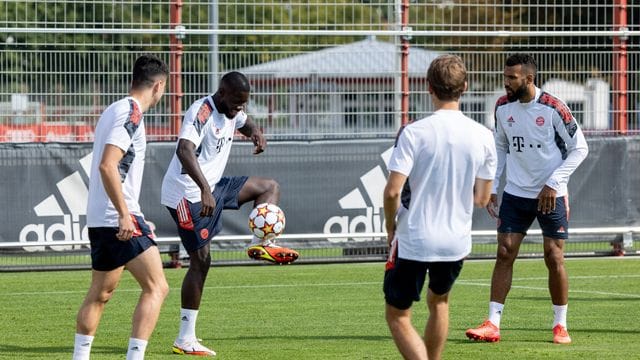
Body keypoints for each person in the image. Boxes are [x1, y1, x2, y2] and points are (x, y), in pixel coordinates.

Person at [161, 71, 299, 356]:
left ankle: (260, 244)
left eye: (243, 103)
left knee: (269, 188)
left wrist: (257, 133)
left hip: (212, 186)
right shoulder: (202, 112)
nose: (239, 108)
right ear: (222, 93)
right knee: (201, 262)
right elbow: (184, 150)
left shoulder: (234, 109)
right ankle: (185, 339)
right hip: (187, 195)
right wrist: (204, 190)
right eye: (236, 102)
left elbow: (245, 123)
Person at [465, 53, 589, 344]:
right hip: (516, 193)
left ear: (529, 79)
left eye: (512, 78)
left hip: (551, 194)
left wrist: (554, 183)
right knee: (505, 251)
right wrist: (494, 184)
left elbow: (580, 148)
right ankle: (492, 323)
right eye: (505, 76)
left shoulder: (553, 108)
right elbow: (501, 147)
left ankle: (560, 325)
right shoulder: (502, 106)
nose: (506, 82)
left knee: (553, 256)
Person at [383, 54, 497, 360]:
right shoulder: (484, 136)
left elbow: (393, 190)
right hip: (455, 241)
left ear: (428, 87)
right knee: (440, 303)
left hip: (415, 237)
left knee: (398, 315)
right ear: (465, 87)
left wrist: (390, 226)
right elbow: (483, 198)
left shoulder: (414, 132)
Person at [72, 54, 170, 360]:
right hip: (118, 219)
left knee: (100, 294)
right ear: (159, 86)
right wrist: (127, 215)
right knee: (158, 287)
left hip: (103, 218)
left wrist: (133, 214)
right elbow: (108, 165)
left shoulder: (113, 109)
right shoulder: (131, 114)